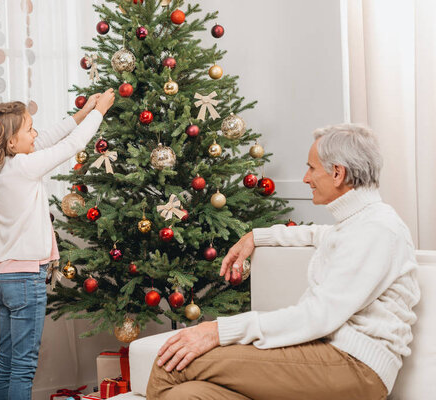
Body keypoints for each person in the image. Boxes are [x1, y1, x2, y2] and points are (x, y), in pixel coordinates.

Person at [147, 124, 420, 400]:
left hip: (355, 367)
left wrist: (219, 330)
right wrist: (257, 236)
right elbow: (319, 234)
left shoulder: (377, 229)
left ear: (338, 173)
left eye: (312, 168)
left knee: (170, 365)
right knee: (187, 395)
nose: (305, 178)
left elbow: (317, 316)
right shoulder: (357, 224)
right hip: (330, 356)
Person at [0, 89, 115, 400]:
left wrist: (82, 113)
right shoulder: (24, 166)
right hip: (26, 278)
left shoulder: (0, 166)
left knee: (9, 361)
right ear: (11, 142)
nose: (35, 133)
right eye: (28, 129)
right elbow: (72, 145)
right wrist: (99, 112)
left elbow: (49, 137)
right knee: (24, 366)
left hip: (3, 277)